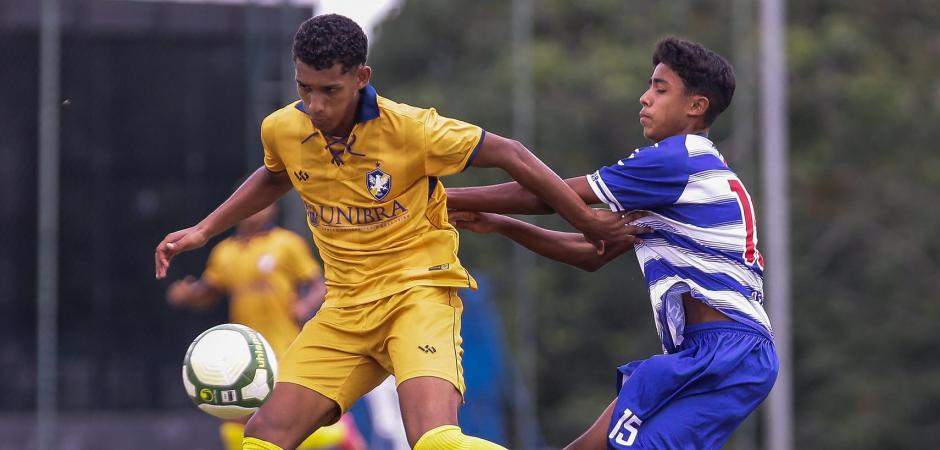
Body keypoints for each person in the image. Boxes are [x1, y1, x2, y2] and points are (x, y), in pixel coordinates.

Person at [154, 14, 638, 450]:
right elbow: (276, 173)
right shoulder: (282, 128)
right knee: (260, 439)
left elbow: (511, 152)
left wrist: (585, 218)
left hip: (417, 297)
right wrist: (204, 229)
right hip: (343, 311)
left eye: (329, 91)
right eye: (304, 89)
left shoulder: (412, 130)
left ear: (361, 78)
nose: (315, 105)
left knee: (436, 443)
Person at [447, 37, 779, 449]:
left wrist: (442, 197)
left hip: (728, 355)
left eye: (660, 89)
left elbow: (548, 195)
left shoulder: (676, 160)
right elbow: (591, 254)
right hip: (701, 355)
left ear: (696, 106)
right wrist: (502, 224)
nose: (644, 98)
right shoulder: (682, 178)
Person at [165, 203, 365, 450]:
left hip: (285, 348)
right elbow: (209, 291)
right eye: (249, 204)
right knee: (243, 423)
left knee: (295, 418)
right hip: (245, 356)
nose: (254, 209)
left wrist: (304, 305)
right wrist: (188, 294)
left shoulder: (286, 243)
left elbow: (319, 284)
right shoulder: (225, 252)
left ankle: (345, 436)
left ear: (272, 211)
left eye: (262, 205)